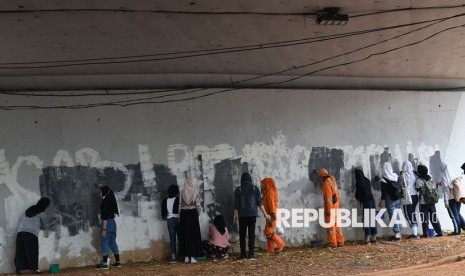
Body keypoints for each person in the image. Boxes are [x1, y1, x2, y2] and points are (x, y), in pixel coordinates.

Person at [233, 172, 271, 260]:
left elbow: (236, 205)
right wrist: (266, 214)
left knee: (242, 235)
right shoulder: (255, 189)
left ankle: (243, 254)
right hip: (252, 215)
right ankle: (251, 254)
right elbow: (260, 204)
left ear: (242, 180)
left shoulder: (238, 190)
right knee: (251, 234)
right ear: (250, 179)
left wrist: (234, 216)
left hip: (242, 216)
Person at [15, 197, 53, 274]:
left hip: (20, 232)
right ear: (45, 205)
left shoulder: (30, 208)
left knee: (20, 251)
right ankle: (34, 269)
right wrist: (54, 222)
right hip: (30, 233)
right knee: (32, 251)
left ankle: (18, 268)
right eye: (48, 205)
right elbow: (46, 225)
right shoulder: (42, 213)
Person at [95, 185, 121, 269]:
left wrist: (104, 229)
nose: (99, 193)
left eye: (100, 191)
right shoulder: (110, 200)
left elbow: (105, 217)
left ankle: (105, 264)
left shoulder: (105, 202)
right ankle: (118, 262)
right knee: (112, 242)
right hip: (113, 224)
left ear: (104, 192)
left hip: (107, 224)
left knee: (104, 242)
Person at [317, 168, 344, 248]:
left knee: (331, 227)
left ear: (322, 177)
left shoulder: (326, 184)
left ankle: (333, 243)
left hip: (331, 208)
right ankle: (340, 242)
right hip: (336, 207)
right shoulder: (332, 181)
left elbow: (328, 198)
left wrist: (328, 210)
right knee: (337, 226)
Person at [179, 178, 203, 264]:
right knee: (193, 236)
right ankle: (192, 257)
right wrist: (198, 214)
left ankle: (186, 257)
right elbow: (198, 205)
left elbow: (180, 205)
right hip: (192, 215)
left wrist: (180, 216)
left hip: (184, 215)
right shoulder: (195, 192)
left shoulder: (182, 192)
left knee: (185, 235)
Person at [416, 165, 443, 238]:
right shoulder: (430, 178)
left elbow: (417, 189)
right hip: (432, 201)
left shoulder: (419, 180)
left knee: (424, 218)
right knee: (434, 217)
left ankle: (426, 233)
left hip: (423, 202)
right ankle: (439, 232)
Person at [439, 162, 465, 235]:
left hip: (450, 200)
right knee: (457, 214)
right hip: (458, 198)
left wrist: (446, 202)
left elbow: (446, 192)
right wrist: (440, 183)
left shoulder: (444, 178)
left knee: (453, 216)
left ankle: (457, 231)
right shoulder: (452, 175)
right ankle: (463, 226)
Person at [260, 177, 285, 253]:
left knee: (268, 232)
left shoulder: (270, 192)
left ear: (267, 184)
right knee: (269, 232)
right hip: (269, 215)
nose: (262, 186)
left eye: (263, 184)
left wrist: (273, 213)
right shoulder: (267, 192)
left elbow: (271, 204)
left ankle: (280, 244)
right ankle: (270, 249)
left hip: (271, 215)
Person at [379, 162, 403, 241]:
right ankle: (399, 231)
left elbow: (384, 192)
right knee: (397, 214)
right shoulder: (396, 176)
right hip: (398, 198)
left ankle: (396, 233)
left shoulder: (384, 179)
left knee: (392, 215)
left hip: (390, 199)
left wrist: (381, 201)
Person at [354, 168, 377, 244]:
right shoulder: (367, 180)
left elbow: (357, 194)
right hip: (372, 201)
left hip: (366, 202)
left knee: (366, 220)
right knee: (372, 219)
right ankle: (374, 237)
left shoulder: (359, 182)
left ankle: (367, 238)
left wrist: (358, 198)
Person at [400, 161, 420, 239]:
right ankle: (415, 231)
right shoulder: (414, 174)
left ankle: (414, 233)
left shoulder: (403, 175)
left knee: (408, 214)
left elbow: (401, 185)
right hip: (415, 196)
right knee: (412, 213)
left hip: (408, 197)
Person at [161, 185, 180, 263]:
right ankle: (182, 255)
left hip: (170, 220)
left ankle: (173, 258)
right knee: (181, 238)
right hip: (178, 220)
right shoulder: (178, 199)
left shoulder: (165, 200)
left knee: (172, 239)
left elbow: (163, 214)